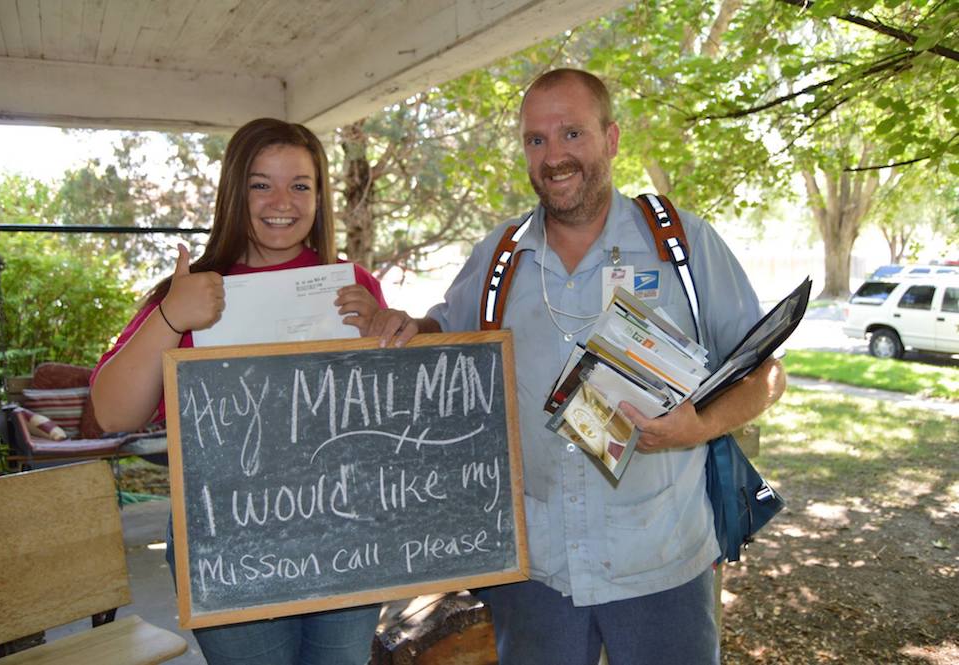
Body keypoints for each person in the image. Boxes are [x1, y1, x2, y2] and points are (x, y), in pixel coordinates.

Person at [356, 69, 787, 665]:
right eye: (537, 140)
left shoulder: (682, 245)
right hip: (538, 574)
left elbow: (767, 373)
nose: (554, 155)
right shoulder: (499, 257)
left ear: (610, 139)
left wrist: (700, 426)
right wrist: (404, 327)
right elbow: (443, 335)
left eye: (572, 133)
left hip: (660, 562)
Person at [90, 118, 386, 665]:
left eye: (300, 184)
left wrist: (386, 333)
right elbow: (112, 413)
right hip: (227, 541)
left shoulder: (352, 284)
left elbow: (389, 414)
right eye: (260, 183)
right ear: (233, 192)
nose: (282, 201)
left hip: (344, 532)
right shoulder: (188, 293)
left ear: (320, 196)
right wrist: (170, 316)